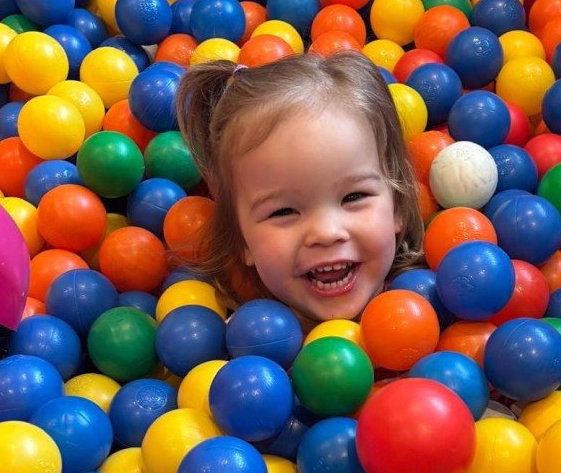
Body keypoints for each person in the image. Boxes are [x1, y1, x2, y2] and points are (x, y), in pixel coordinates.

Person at [175, 50, 425, 332]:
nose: (326, 233)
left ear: (397, 204)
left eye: (353, 197)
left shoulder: (440, 303)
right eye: (283, 211)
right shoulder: (238, 344)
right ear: (243, 239)